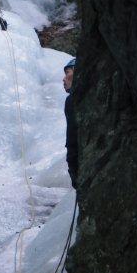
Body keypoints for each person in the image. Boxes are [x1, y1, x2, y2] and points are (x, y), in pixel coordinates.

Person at [63, 57, 78, 185]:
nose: (64, 79)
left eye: (68, 72)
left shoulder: (71, 100)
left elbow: (72, 136)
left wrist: (73, 167)